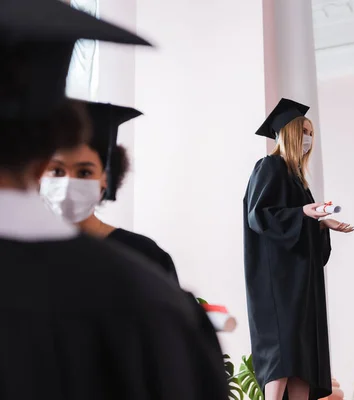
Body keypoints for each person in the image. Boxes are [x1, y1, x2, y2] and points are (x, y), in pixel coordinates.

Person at [0, 1, 228, 399]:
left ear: (106, 176)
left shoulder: (146, 270)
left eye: (83, 170)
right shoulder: (149, 300)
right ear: (41, 161)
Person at [243, 98, 354, 400]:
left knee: (303, 357)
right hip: (278, 283)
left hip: (300, 282)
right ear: (289, 134)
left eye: (311, 133)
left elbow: (296, 217)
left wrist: (321, 225)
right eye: (303, 131)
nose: (308, 138)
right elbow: (260, 215)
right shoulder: (269, 167)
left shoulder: (298, 180)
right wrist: (304, 213)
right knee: (284, 353)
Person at [40, 101, 179, 282]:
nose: (68, 183)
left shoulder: (142, 255)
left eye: (84, 172)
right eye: (57, 171)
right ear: (38, 173)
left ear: (106, 178)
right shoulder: (19, 251)